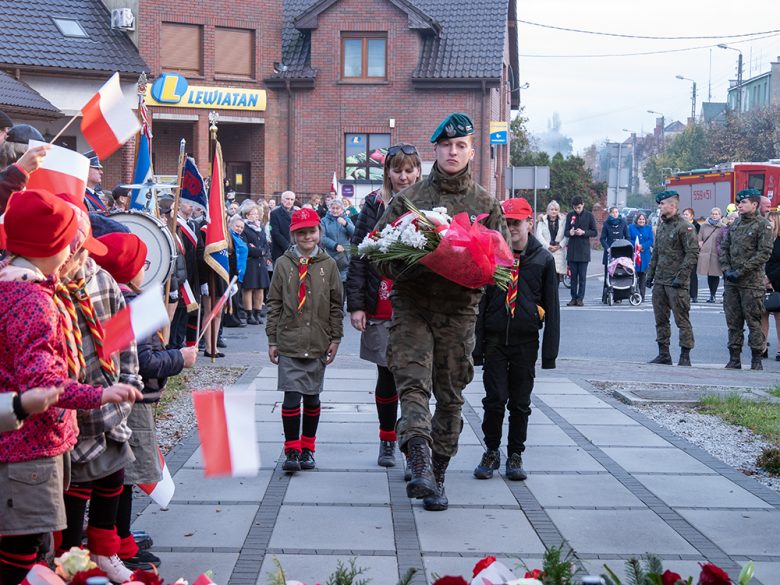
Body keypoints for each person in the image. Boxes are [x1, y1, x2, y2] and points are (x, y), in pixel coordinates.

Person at [0, 190, 139, 585]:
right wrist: (99, 395)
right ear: (57, 248)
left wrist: (121, 387)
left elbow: (123, 343)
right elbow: (45, 386)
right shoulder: (36, 299)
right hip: (34, 443)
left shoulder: (20, 283)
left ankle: (91, 556)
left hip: (54, 430)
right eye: (71, 246)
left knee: (106, 480)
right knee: (26, 549)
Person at [374, 112, 510, 512]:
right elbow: (376, 254)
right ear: (435, 149)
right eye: (446, 145)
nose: (453, 152)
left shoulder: (486, 204)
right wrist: (407, 261)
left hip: (459, 312)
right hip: (413, 305)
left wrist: (476, 267)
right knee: (412, 383)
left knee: (450, 396)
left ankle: (437, 472)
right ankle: (418, 460)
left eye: (461, 145)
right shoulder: (409, 199)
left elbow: (502, 264)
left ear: (471, 151)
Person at [91, 233, 198, 571]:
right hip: (131, 401)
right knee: (124, 475)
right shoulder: (129, 302)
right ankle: (119, 545)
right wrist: (180, 358)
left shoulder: (112, 296)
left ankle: (119, 539)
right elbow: (142, 362)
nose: (146, 269)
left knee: (121, 474)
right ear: (129, 268)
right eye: (143, 263)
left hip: (123, 398)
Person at [54, 194, 145, 582]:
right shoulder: (48, 290)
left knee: (112, 474)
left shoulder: (101, 279)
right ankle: (69, 559)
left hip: (111, 402)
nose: (82, 257)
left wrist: (129, 381)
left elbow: (125, 341)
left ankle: (105, 551)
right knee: (76, 485)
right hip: (71, 408)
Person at [346, 142, 422, 469]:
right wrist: (356, 305)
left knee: (414, 380)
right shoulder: (374, 205)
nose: (403, 176)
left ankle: (413, 445)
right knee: (387, 375)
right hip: (381, 303)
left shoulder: (429, 204)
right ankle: (387, 439)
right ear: (387, 172)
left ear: (418, 172)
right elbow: (358, 256)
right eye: (397, 170)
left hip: (418, 305)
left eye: (409, 170)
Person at [473, 198, 559, 482]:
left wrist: (549, 355)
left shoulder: (543, 259)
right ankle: (491, 451)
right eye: (506, 223)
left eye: (516, 223)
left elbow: (553, 308)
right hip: (495, 341)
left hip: (525, 341)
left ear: (529, 223)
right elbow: (482, 302)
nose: (511, 228)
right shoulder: (493, 253)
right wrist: (476, 348)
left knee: (520, 402)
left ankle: (515, 454)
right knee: (494, 399)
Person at [266, 209, 343, 472]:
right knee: (291, 397)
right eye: (301, 232)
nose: (307, 236)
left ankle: (308, 449)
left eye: (311, 231)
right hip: (289, 340)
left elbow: (336, 305)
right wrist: (272, 339)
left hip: (318, 340)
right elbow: (274, 303)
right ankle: (292, 450)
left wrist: (335, 337)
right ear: (293, 235)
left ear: (319, 232)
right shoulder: (283, 263)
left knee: (311, 399)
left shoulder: (329, 265)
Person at [720, 188, 774, 370]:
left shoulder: (763, 225)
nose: (739, 205)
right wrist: (727, 270)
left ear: (754, 204)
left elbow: (764, 253)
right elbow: (724, 247)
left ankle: (756, 360)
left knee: (754, 322)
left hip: (752, 284)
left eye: (744, 202)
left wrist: (741, 271)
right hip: (732, 282)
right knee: (733, 322)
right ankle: (734, 358)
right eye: (739, 202)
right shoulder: (735, 224)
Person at [645, 191, 699, 366]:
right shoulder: (661, 226)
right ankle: (664, 354)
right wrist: (650, 275)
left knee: (682, 320)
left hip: (676, 283)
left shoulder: (685, 227)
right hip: (660, 281)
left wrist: (681, 277)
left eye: (662, 204)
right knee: (660, 320)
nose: (660, 207)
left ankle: (685, 356)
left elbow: (692, 254)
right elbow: (656, 253)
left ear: (672, 205)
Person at [564, 195, 597, 306]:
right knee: (573, 277)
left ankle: (580, 298)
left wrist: (583, 232)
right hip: (573, 249)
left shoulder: (589, 215)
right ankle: (573, 297)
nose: (577, 210)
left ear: (583, 205)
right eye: (575, 208)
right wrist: (570, 232)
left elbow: (594, 232)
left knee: (582, 277)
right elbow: (565, 231)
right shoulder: (570, 215)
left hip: (583, 249)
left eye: (579, 207)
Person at [240, 203, 271, 325]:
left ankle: (257, 313)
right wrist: (259, 251)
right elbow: (246, 246)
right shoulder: (244, 228)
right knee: (248, 287)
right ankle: (249, 314)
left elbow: (265, 244)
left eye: (258, 214)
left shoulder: (260, 228)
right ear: (247, 215)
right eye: (254, 214)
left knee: (260, 288)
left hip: (260, 261)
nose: (257, 216)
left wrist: (262, 251)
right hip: (250, 261)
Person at [321, 198, 356, 291]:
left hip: (344, 256)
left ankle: (342, 299)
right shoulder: (324, 221)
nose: (335, 210)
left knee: (343, 282)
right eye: (333, 208)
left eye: (337, 208)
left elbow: (355, 235)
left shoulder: (347, 220)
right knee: (329, 280)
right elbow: (321, 237)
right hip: (329, 255)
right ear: (329, 208)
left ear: (342, 209)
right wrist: (335, 245)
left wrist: (346, 224)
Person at [600, 206, 630, 304]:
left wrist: (624, 246)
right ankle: (606, 296)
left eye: (616, 212)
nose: (615, 214)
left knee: (619, 274)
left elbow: (627, 237)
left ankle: (618, 297)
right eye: (613, 212)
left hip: (620, 252)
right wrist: (607, 248)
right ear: (610, 213)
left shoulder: (623, 222)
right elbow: (602, 238)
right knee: (608, 275)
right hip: (609, 252)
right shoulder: (606, 223)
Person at [535, 200, 568, 284]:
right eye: (552, 209)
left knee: (556, 279)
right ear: (548, 210)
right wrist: (548, 246)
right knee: (546, 277)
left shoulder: (563, 221)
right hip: (546, 250)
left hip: (559, 251)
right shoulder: (542, 220)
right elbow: (539, 236)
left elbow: (566, 236)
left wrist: (560, 245)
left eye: (556, 210)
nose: (554, 211)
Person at [697, 207, 724, 303]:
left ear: (720, 215)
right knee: (709, 274)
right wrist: (700, 243)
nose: (714, 216)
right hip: (706, 253)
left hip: (716, 253)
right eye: (713, 214)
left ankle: (713, 294)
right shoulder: (704, 225)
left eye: (716, 214)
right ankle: (711, 294)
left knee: (715, 274)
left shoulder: (723, 226)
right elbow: (699, 237)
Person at [763, 211, 780, 360]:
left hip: (777, 280)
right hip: (762, 280)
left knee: (779, 316)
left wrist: (770, 277)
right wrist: (763, 278)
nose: (768, 223)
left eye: (771, 221)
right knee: (763, 314)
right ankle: (762, 347)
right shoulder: (762, 239)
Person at [628, 212, 653, 301]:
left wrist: (643, 246)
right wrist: (637, 246)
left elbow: (651, 240)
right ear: (636, 220)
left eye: (643, 219)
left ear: (645, 220)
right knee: (634, 276)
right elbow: (628, 238)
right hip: (635, 254)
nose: (641, 221)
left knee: (643, 276)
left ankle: (642, 295)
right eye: (639, 219)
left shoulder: (649, 228)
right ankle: (633, 294)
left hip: (645, 255)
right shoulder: (631, 227)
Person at [270, 190, 295, 264]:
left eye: (292, 199)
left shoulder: (297, 214)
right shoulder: (274, 214)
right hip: (279, 252)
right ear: (282, 200)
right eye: (287, 199)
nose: (289, 201)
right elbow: (274, 232)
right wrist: (288, 246)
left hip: (296, 251)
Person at [681, 208, 700, 302]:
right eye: (684, 214)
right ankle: (684, 294)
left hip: (692, 252)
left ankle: (694, 295)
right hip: (682, 253)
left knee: (692, 274)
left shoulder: (697, 226)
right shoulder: (680, 225)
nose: (685, 216)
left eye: (687, 214)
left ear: (692, 216)